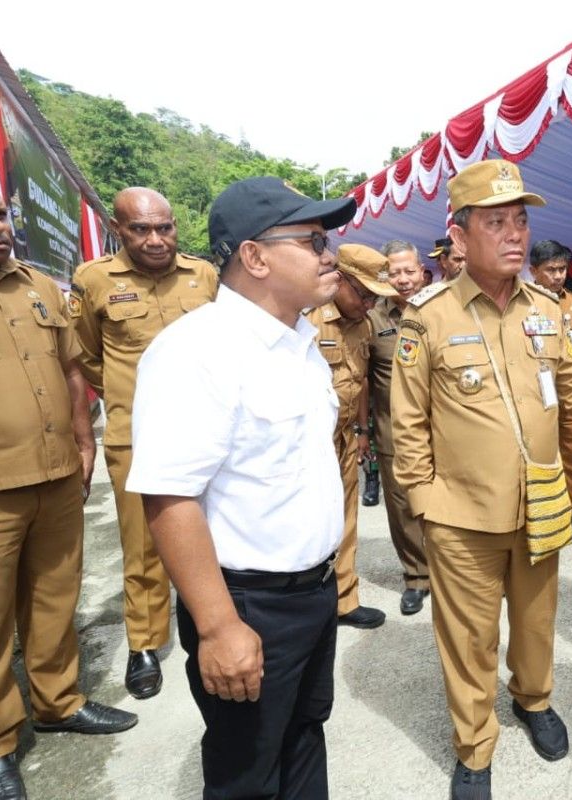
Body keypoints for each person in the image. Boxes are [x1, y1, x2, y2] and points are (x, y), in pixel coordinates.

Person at [390, 158, 572, 800]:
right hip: (459, 516)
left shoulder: (549, 310)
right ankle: (474, 745)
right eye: (496, 222)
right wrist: (423, 505)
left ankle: (534, 699)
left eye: (520, 220)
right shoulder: (428, 316)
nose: (515, 234)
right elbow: (407, 423)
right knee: (468, 639)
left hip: (539, 507)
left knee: (535, 620)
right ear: (460, 237)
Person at [127, 177, 357, 798]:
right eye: (312, 240)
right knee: (246, 772)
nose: (328, 252)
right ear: (254, 257)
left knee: (305, 734)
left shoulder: (300, 343)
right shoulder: (196, 352)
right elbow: (169, 497)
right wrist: (220, 626)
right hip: (248, 603)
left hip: (313, 590)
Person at [0, 163, 137, 800]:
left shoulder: (39, 287)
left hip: (58, 475)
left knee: (57, 599)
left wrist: (85, 441)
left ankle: (59, 701)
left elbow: (70, 369)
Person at [69, 187, 219, 700]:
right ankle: (146, 645)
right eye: (141, 229)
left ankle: (219, 623)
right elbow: (88, 356)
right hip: (138, 437)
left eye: (165, 227)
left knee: (218, 533)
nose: (156, 239)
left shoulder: (205, 276)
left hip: (208, 431)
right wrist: (128, 396)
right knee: (144, 545)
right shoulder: (93, 281)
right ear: (118, 229)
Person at [305, 243, 397, 630]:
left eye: (376, 296)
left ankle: (345, 600)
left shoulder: (363, 324)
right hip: (308, 443)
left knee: (346, 520)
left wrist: (361, 431)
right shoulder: (305, 319)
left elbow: (359, 383)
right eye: (363, 294)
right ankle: (309, 605)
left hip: (344, 437)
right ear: (338, 280)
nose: (369, 303)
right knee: (308, 522)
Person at [367, 239, 432, 615]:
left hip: (443, 425)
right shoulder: (373, 319)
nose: (404, 279)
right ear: (384, 276)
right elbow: (361, 379)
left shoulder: (442, 308)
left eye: (409, 271)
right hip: (393, 429)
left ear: (421, 271)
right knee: (403, 505)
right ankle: (416, 576)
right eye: (395, 272)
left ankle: (453, 571)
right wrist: (363, 433)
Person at [529, 239, 572, 545]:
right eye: (550, 270)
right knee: (535, 451)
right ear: (534, 271)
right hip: (533, 393)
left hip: (570, 392)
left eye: (562, 269)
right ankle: (537, 511)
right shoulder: (521, 303)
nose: (557, 276)